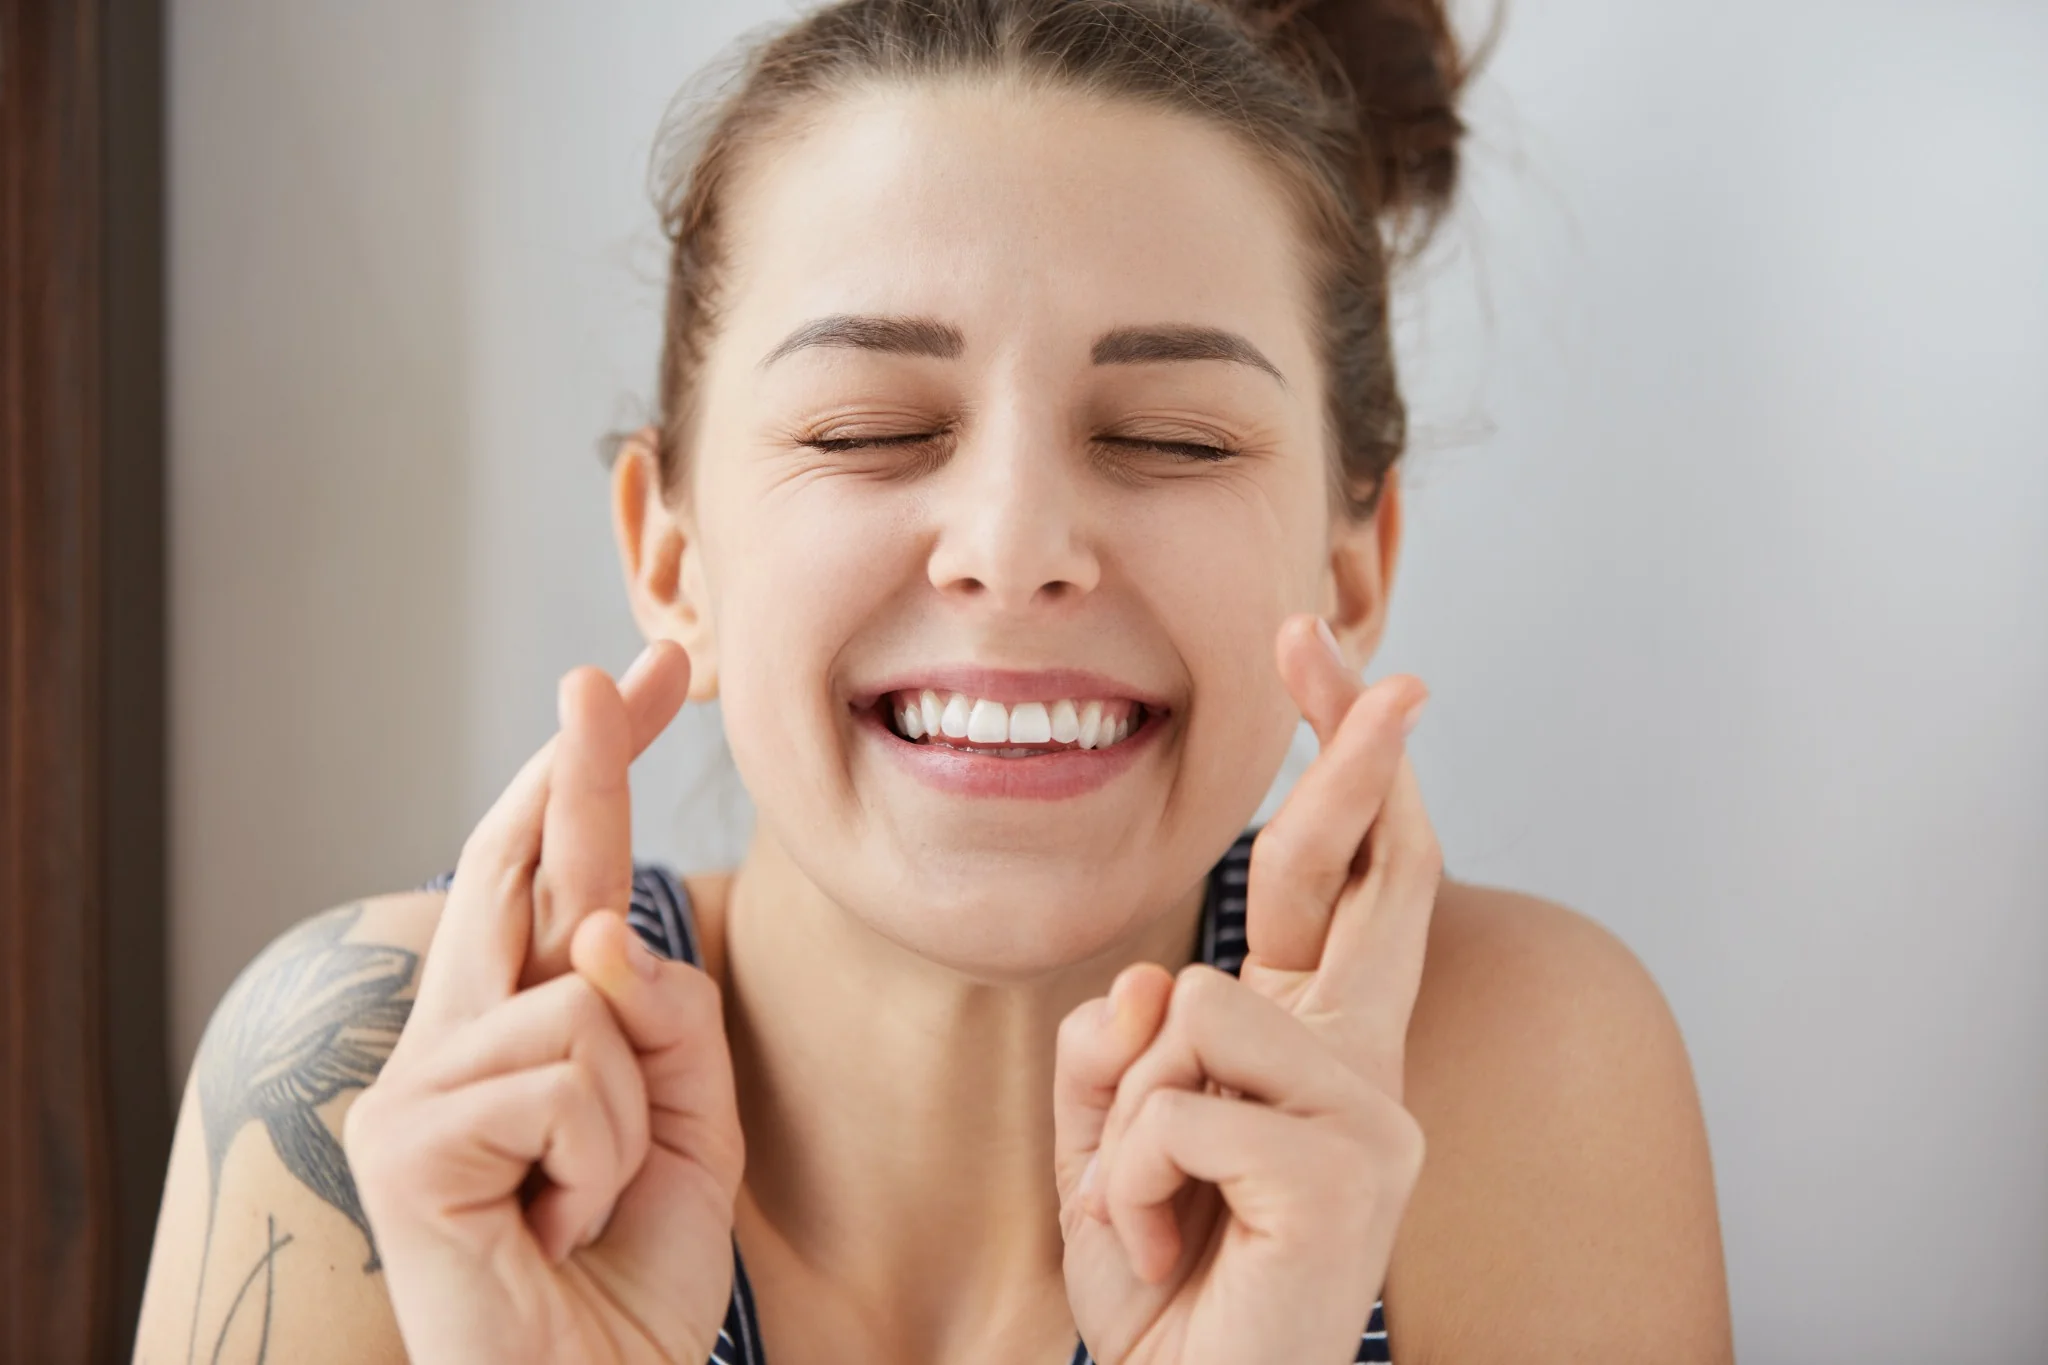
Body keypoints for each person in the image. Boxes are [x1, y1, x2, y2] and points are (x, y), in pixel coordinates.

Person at [133, 0, 1734, 1360]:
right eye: (870, 430)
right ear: (671, 553)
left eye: (1170, 440)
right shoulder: (363, 1091)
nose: (1015, 547)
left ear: (1352, 565)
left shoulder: (1514, 1083)